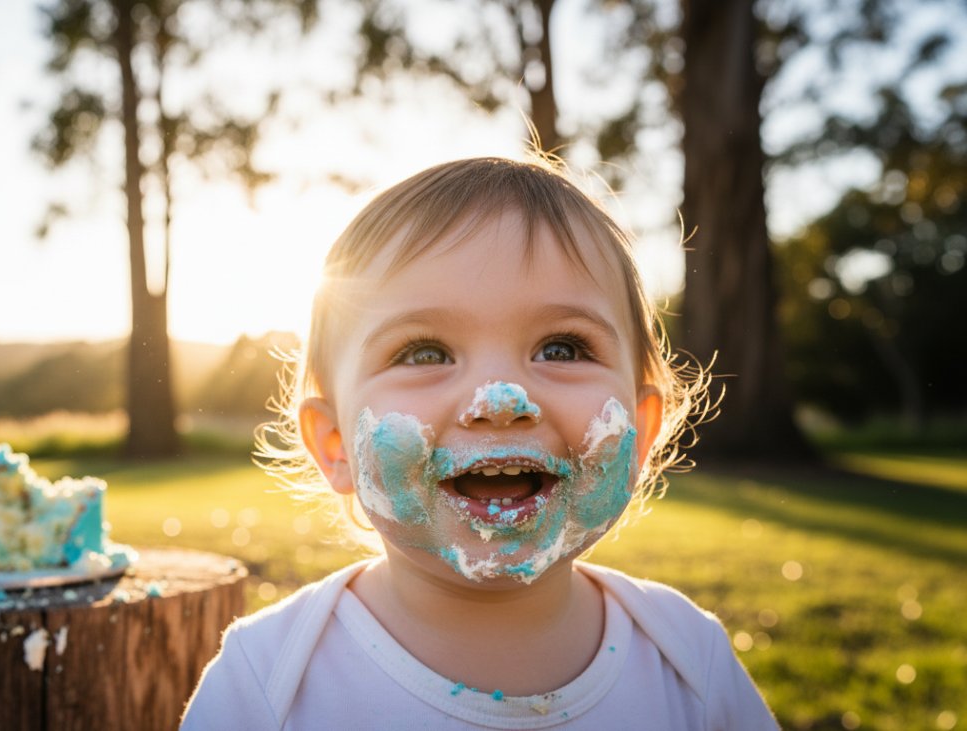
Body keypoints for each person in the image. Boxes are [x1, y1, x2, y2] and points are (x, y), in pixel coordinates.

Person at [181, 157, 777, 729]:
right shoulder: (265, 684)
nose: (499, 401)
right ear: (335, 444)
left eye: (562, 348)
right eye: (425, 353)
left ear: (641, 431)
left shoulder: (690, 662)